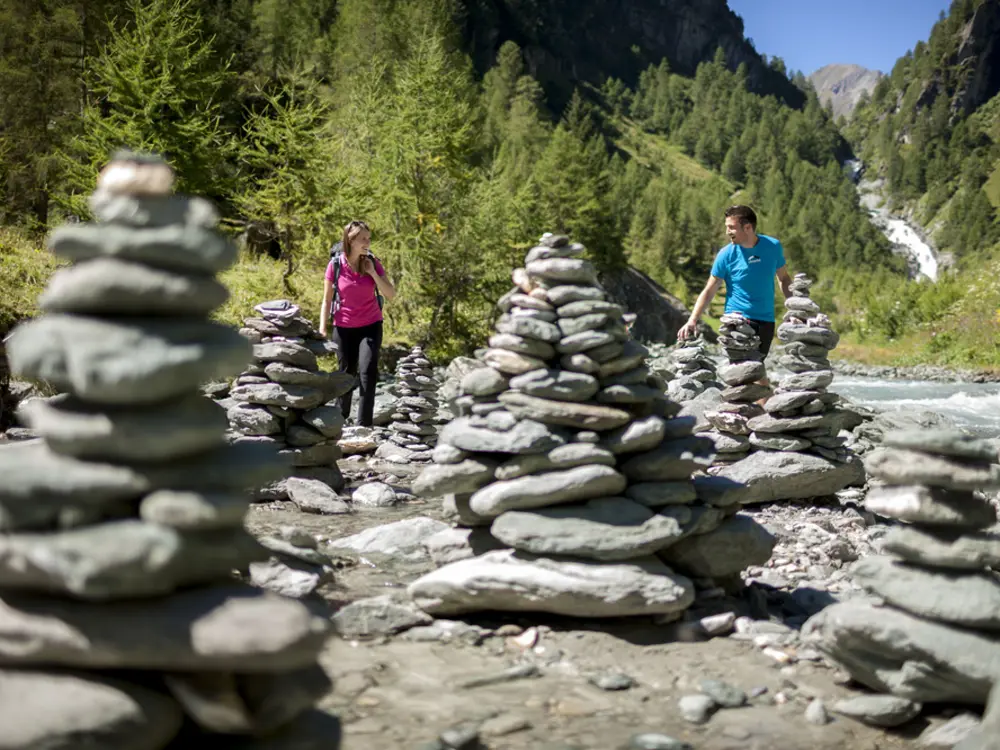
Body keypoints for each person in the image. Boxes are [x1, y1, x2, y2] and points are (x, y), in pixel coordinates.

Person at [677, 205, 792, 378]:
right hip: (737, 321)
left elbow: (784, 279)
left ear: (747, 227)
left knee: (756, 371)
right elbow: (710, 289)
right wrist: (692, 320)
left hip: (766, 320)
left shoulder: (773, 246)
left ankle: (761, 404)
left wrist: (795, 308)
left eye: (731, 227)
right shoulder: (726, 254)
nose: (727, 232)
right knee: (741, 372)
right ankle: (741, 403)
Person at [318, 220, 396, 426]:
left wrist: (372, 272)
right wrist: (322, 328)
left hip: (371, 325)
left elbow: (391, 294)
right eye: (363, 239)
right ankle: (339, 421)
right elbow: (326, 300)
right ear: (350, 240)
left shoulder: (373, 262)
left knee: (367, 372)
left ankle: (364, 425)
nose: (367, 243)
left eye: (369, 238)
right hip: (343, 328)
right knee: (345, 375)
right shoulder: (334, 266)